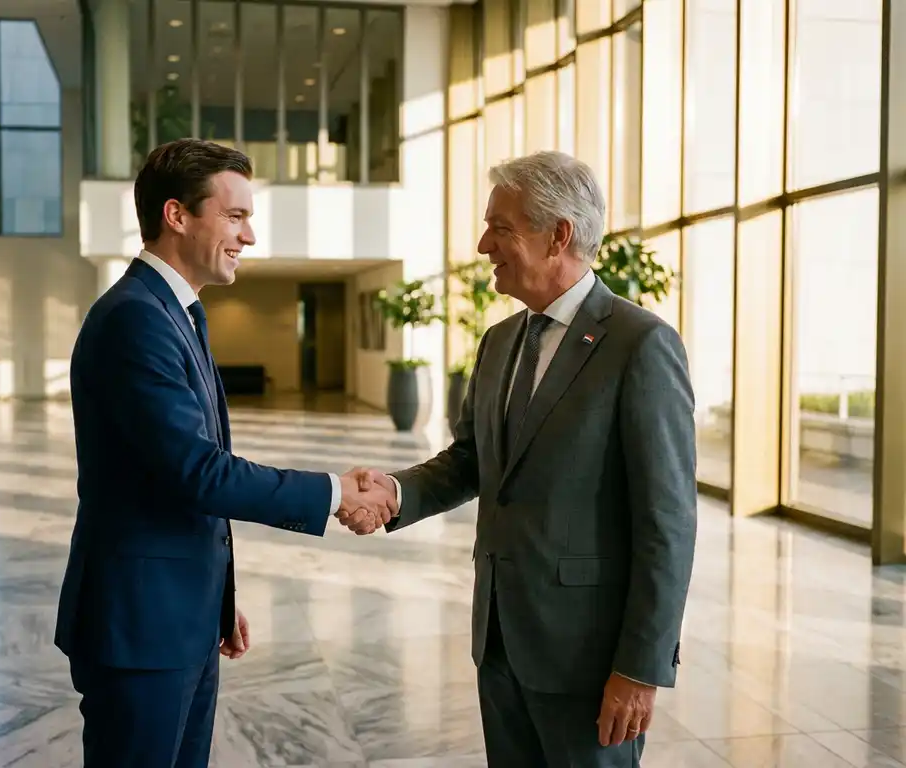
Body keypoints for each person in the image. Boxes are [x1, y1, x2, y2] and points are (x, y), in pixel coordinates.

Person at [349, 151, 697, 767]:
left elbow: (667, 523)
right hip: (501, 642)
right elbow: (471, 461)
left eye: (501, 227)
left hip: (589, 659)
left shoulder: (640, 344)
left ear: (558, 234)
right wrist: (393, 494)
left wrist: (640, 669)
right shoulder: (501, 341)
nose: (484, 244)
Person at [54, 139, 394, 768]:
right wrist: (334, 493)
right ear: (176, 215)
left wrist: (215, 597)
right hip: (140, 626)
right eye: (235, 217)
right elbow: (197, 472)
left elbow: (171, 477)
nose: (250, 236)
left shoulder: (176, 312)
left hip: (179, 614)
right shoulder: (136, 318)